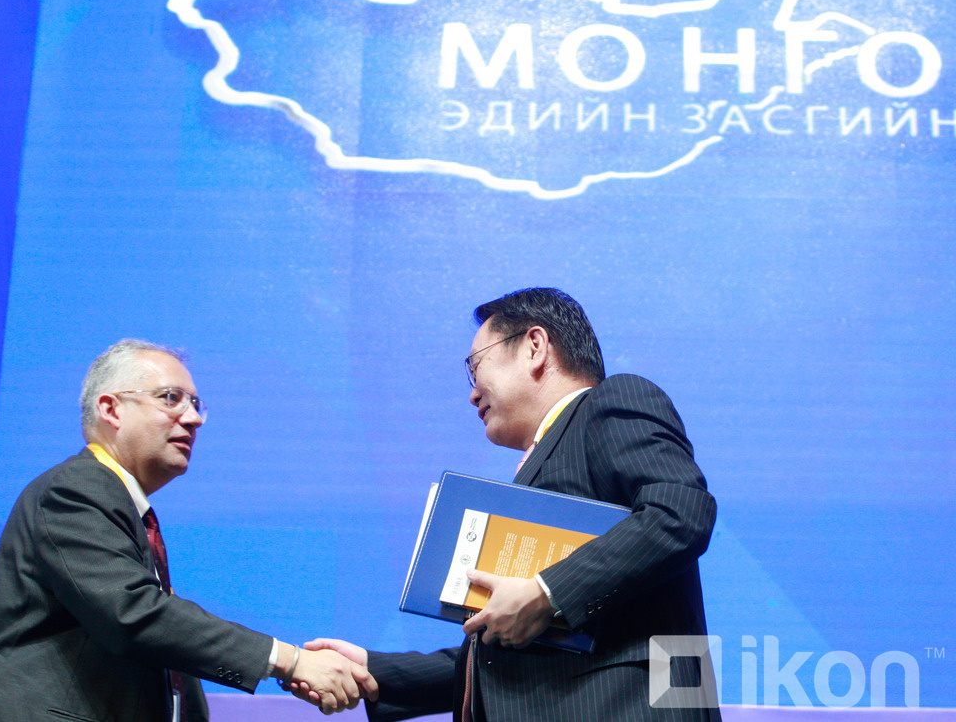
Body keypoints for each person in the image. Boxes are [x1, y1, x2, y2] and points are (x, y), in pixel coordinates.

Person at [307, 288, 720, 721]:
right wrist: (370, 671)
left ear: (534, 347)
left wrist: (546, 593)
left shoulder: (610, 402)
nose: (472, 395)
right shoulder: (539, 467)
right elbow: (501, 656)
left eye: (475, 366)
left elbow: (680, 514)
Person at [0, 339, 377, 721]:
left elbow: (159, 645)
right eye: (170, 398)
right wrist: (289, 661)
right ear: (111, 409)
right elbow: (135, 616)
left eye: (195, 404)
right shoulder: (76, 489)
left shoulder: (125, 507)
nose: (193, 418)